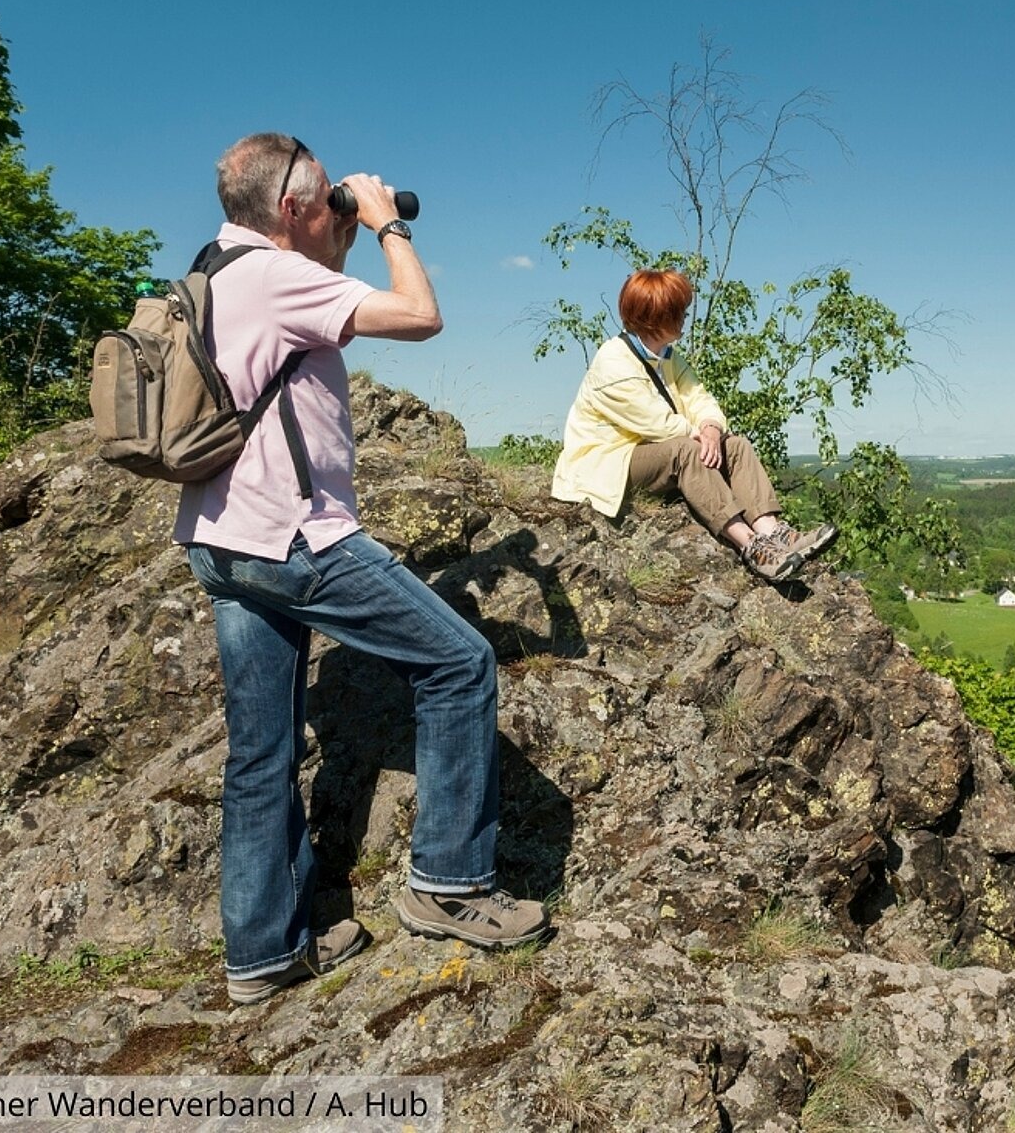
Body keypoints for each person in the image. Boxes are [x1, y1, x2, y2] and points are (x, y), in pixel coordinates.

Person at [177, 133, 546, 1006]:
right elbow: (421, 315)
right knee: (460, 663)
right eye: (323, 202)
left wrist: (336, 229)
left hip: (221, 540)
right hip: (296, 537)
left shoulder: (212, 270)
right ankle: (449, 883)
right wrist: (384, 226)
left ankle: (262, 952)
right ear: (294, 210)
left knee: (260, 751)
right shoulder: (275, 275)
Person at [551, 269, 836, 581]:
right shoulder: (613, 361)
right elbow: (654, 422)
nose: (686, 316)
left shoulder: (668, 357)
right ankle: (752, 546)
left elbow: (699, 398)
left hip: (651, 452)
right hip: (608, 462)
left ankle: (775, 533)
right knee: (686, 451)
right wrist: (698, 434)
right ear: (657, 316)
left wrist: (712, 427)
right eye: (680, 311)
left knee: (735, 445)